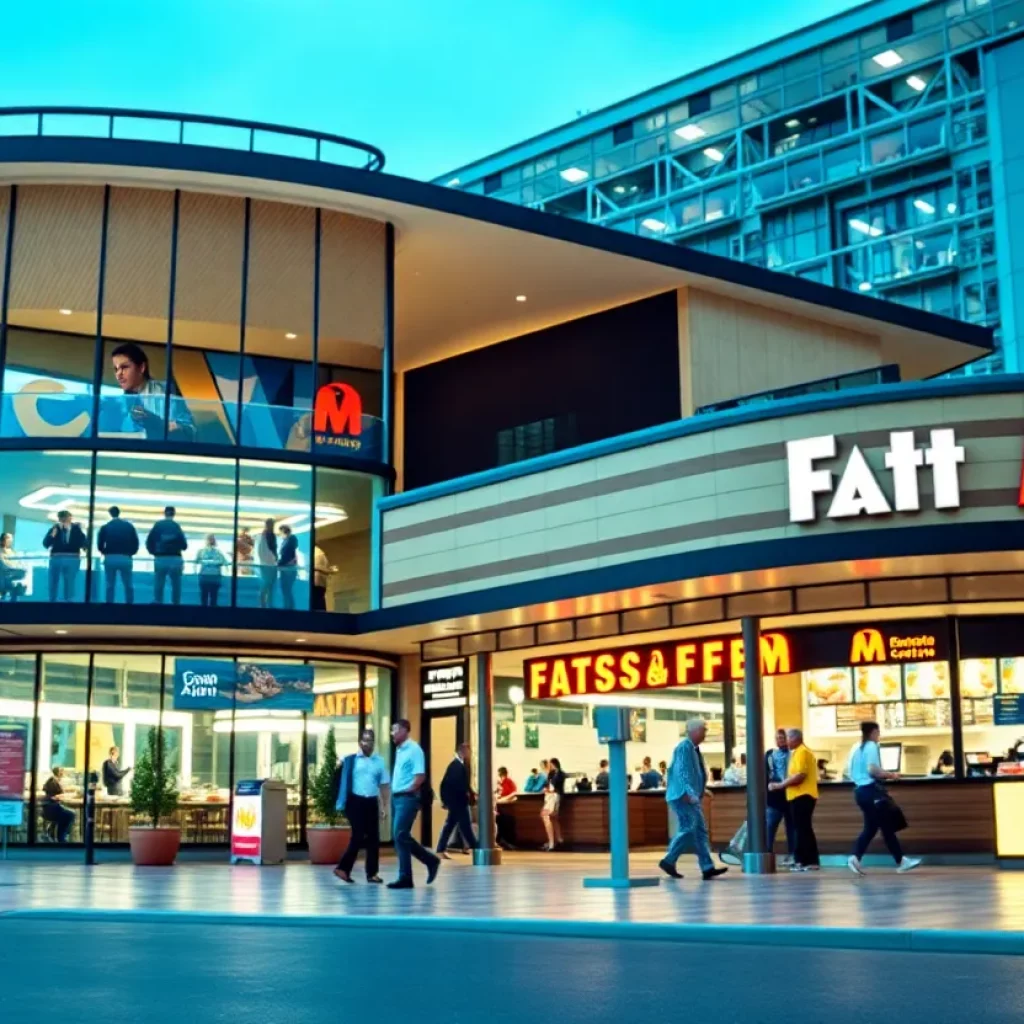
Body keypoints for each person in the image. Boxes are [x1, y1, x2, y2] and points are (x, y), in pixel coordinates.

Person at [848, 721, 921, 875]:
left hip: (860, 792)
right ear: (873, 732)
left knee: (872, 827)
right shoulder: (871, 746)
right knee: (886, 827)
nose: (879, 736)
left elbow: (850, 771)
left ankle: (855, 858)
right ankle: (901, 861)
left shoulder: (855, 747)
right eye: (878, 732)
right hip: (871, 792)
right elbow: (872, 770)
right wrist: (891, 775)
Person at [660, 719, 727, 881]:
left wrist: (702, 790)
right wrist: (690, 793)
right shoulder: (684, 748)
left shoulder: (692, 748)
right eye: (703, 730)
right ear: (694, 731)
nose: (705, 733)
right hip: (683, 796)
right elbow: (682, 772)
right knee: (689, 828)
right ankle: (669, 860)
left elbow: (692, 774)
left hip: (689, 796)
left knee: (699, 832)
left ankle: (707, 867)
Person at [387, 719, 440, 889]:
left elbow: (420, 776)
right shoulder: (400, 750)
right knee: (400, 837)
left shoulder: (414, 750)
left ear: (404, 730)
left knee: (400, 834)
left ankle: (411, 873)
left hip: (407, 798)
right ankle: (416, 871)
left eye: (394, 730)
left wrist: (408, 791)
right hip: (397, 798)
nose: (392, 733)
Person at [334, 728, 391, 884]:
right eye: (365, 740)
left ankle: (372, 874)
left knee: (374, 838)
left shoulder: (379, 761)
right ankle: (343, 868)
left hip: (372, 802)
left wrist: (385, 806)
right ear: (360, 742)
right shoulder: (350, 760)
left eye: (371, 741)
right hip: (355, 802)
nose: (368, 744)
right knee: (358, 835)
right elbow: (340, 781)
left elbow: (384, 785)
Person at [111, 341, 195, 440]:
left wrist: (152, 420)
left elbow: (188, 431)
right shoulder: (119, 402)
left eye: (124, 367)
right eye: (116, 369)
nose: (118, 374)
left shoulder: (166, 392)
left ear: (141, 367)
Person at [770, 728, 820, 871]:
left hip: (803, 796)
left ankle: (807, 861)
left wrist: (780, 785)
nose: (786, 741)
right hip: (797, 796)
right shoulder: (797, 753)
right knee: (801, 829)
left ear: (795, 738)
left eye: (788, 738)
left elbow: (799, 776)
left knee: (803, 829)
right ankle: (804, 861)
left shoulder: (802, 752)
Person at [437, 742, 477, 859]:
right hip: (458, 802)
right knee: (465, 826)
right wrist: (447, 800)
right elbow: (451, 784)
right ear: (462, 751)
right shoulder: (456, 766)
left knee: (450, 825)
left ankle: (441, 848)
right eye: (468, 751)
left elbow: (446, 784)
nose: (469, 754)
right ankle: (477, 848)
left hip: (456, 802)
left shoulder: (457, 765)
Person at [43, 510, 88, 602]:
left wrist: (85, 545)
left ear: (70, 518)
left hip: (72, 558)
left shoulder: (76, 529)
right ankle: (52, 601)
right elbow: (46, 544)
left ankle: (68, 602)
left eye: (66, 518)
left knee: (69, 582)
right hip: (57, 558)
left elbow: (85, 543)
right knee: (53, 581)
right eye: (61, 518)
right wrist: (53, 534)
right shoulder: (54, 529)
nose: (64, 520)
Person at [97, 506, 139, 604]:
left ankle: (109, 604)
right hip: (125, 557)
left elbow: (100, 544)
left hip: (110, 557)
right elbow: (135, 542)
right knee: (128, 583)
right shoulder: (129, 526)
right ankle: (129, 604)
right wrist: (131, 553)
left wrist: (105, 552)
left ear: (110, 514)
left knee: (110, 584)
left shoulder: (106, 527)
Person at [146, 506, 187, 606]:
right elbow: (184, 545)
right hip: (175, 558)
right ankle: (176, 604)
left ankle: (158, 602)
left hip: (161, 558)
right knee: (176, 584)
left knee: (159, 583)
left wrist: (154, 552)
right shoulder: (177, 526)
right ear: (174, 514)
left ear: (165, 513)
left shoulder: (158, 525)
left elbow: (149, 541)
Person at [765, 728, 795, 861]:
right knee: (770, 826)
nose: (779, 741)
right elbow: (764, 774)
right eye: (777, 738)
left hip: (791, 793)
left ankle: (793, 854)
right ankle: (767, 854)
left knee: (792, 828)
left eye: (782, 738)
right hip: (774, 796)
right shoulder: (770, 755)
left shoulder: (794, 753)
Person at [41, 766, 75, 843]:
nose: (63, 773)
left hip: (53, 807)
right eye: (61, 771)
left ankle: (56, 833)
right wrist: (59, 796)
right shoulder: (52, 781)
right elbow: (52, 796)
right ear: (58, 772)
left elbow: (57, 793)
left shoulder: (54, 780)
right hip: (51, 809)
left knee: (69, 813)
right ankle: (61, 837)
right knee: (70, 814)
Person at [195, 534, 228, 607]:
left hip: (211, 577)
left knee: (211, 597)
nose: (211, 541)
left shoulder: (217, 552)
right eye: (210, 539)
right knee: (207, 597)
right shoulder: (202, 551)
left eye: (212, 539)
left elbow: (224, 562)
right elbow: (224, 562)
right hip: (208, 577)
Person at [541, 757, 566, 851]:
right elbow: (546, 785)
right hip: (550, 798)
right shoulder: (551, 774)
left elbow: (555, 787)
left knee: (547, 817)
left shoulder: (560, 774)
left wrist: (548, 789)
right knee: (553, 818)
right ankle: (558, 840)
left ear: (553, 764)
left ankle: (552, 842)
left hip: (554, 797)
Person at [277, 524, 299, 610]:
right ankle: (288, 607)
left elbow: (286, 556)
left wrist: (279, 564)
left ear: (283, 532)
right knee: (286, 590)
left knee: (286, 589)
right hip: (287, 569)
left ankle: (289, 608)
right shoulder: (289, 541)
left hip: (288, 569)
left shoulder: (290, 541)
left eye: (280, 533)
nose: (280, 535)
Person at [495, 766, 517, 850]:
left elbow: (513, 792)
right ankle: (500, 840)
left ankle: (505, 841)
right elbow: (498, 793)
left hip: (507, 805)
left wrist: (505, 798)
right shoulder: (500, 783)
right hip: (500, 805)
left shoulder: (508, 781)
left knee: (506, 820)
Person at [0, 532, 27, 602]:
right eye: (8, 538)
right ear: (3, 540)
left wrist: (20, 568)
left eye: (11, 538)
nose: (11, 540)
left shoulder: (13, 552)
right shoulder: (1, 551)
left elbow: (19, 563)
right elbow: (3, 564)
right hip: (5, 574)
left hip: (14, 573)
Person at [257, 519, 278, 608]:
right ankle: (267, 604)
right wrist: (276, 558)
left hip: (265, 564)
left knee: (267, 585)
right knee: (268, 585)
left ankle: (265, 604)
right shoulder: (269, 535)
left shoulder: (262, 535)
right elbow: (272, 548)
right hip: (270, 564)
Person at [312, 545, 337, 611]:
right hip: (320, 583)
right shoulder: (319, 552)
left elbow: (316, 566)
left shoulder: (316, 552)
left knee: (317, 603)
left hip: (316, 582)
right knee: (319, 602)